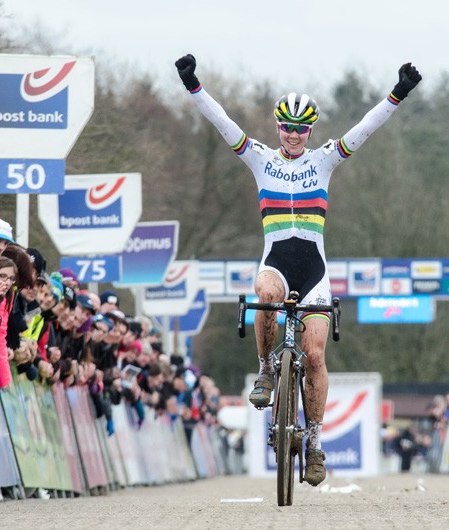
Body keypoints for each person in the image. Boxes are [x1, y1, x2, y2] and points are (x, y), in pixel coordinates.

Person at [176, 53, 421, 485]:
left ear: (311, 130)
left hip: (314, 270)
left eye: (301, 128)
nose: (293, 134)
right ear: (277, 127)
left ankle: (314, 443)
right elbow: (222, 123)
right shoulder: (259, 159)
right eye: (287, 127)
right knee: (265, 294)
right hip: (277, 263)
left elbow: (364, 130)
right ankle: (266, 370)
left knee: (315, 356)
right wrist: (192, 84)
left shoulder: (324, 159)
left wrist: (397, 94)